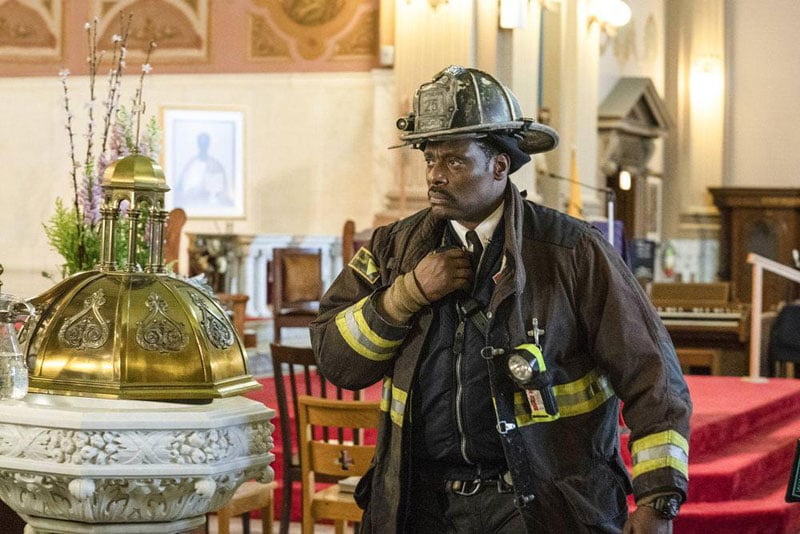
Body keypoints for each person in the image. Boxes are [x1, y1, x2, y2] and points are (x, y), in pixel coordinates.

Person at [310, 65, 691, 533]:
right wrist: (404, 296)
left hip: (539, 506)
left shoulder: (571, 251)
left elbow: (653, 376)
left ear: (500, 165)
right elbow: (335, 358)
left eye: (454, 162)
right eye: (430, 160)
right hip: (420, 503)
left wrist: (657, 500)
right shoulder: (394, 249)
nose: (435, 176)